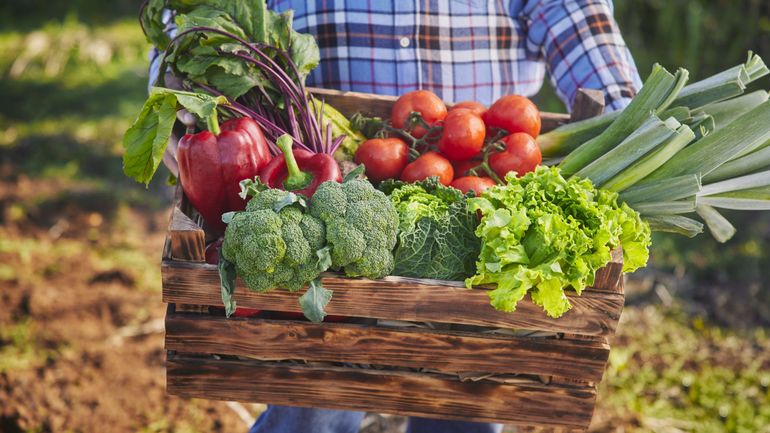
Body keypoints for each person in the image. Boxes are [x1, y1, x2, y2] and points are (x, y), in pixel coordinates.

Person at [150, 1, 641, 432]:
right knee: (314, 397)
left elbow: (571, 10)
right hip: (326, 172)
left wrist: (627, 117)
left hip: (487, 163)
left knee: (468, 387)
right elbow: (186, 21)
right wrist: (178, 94)